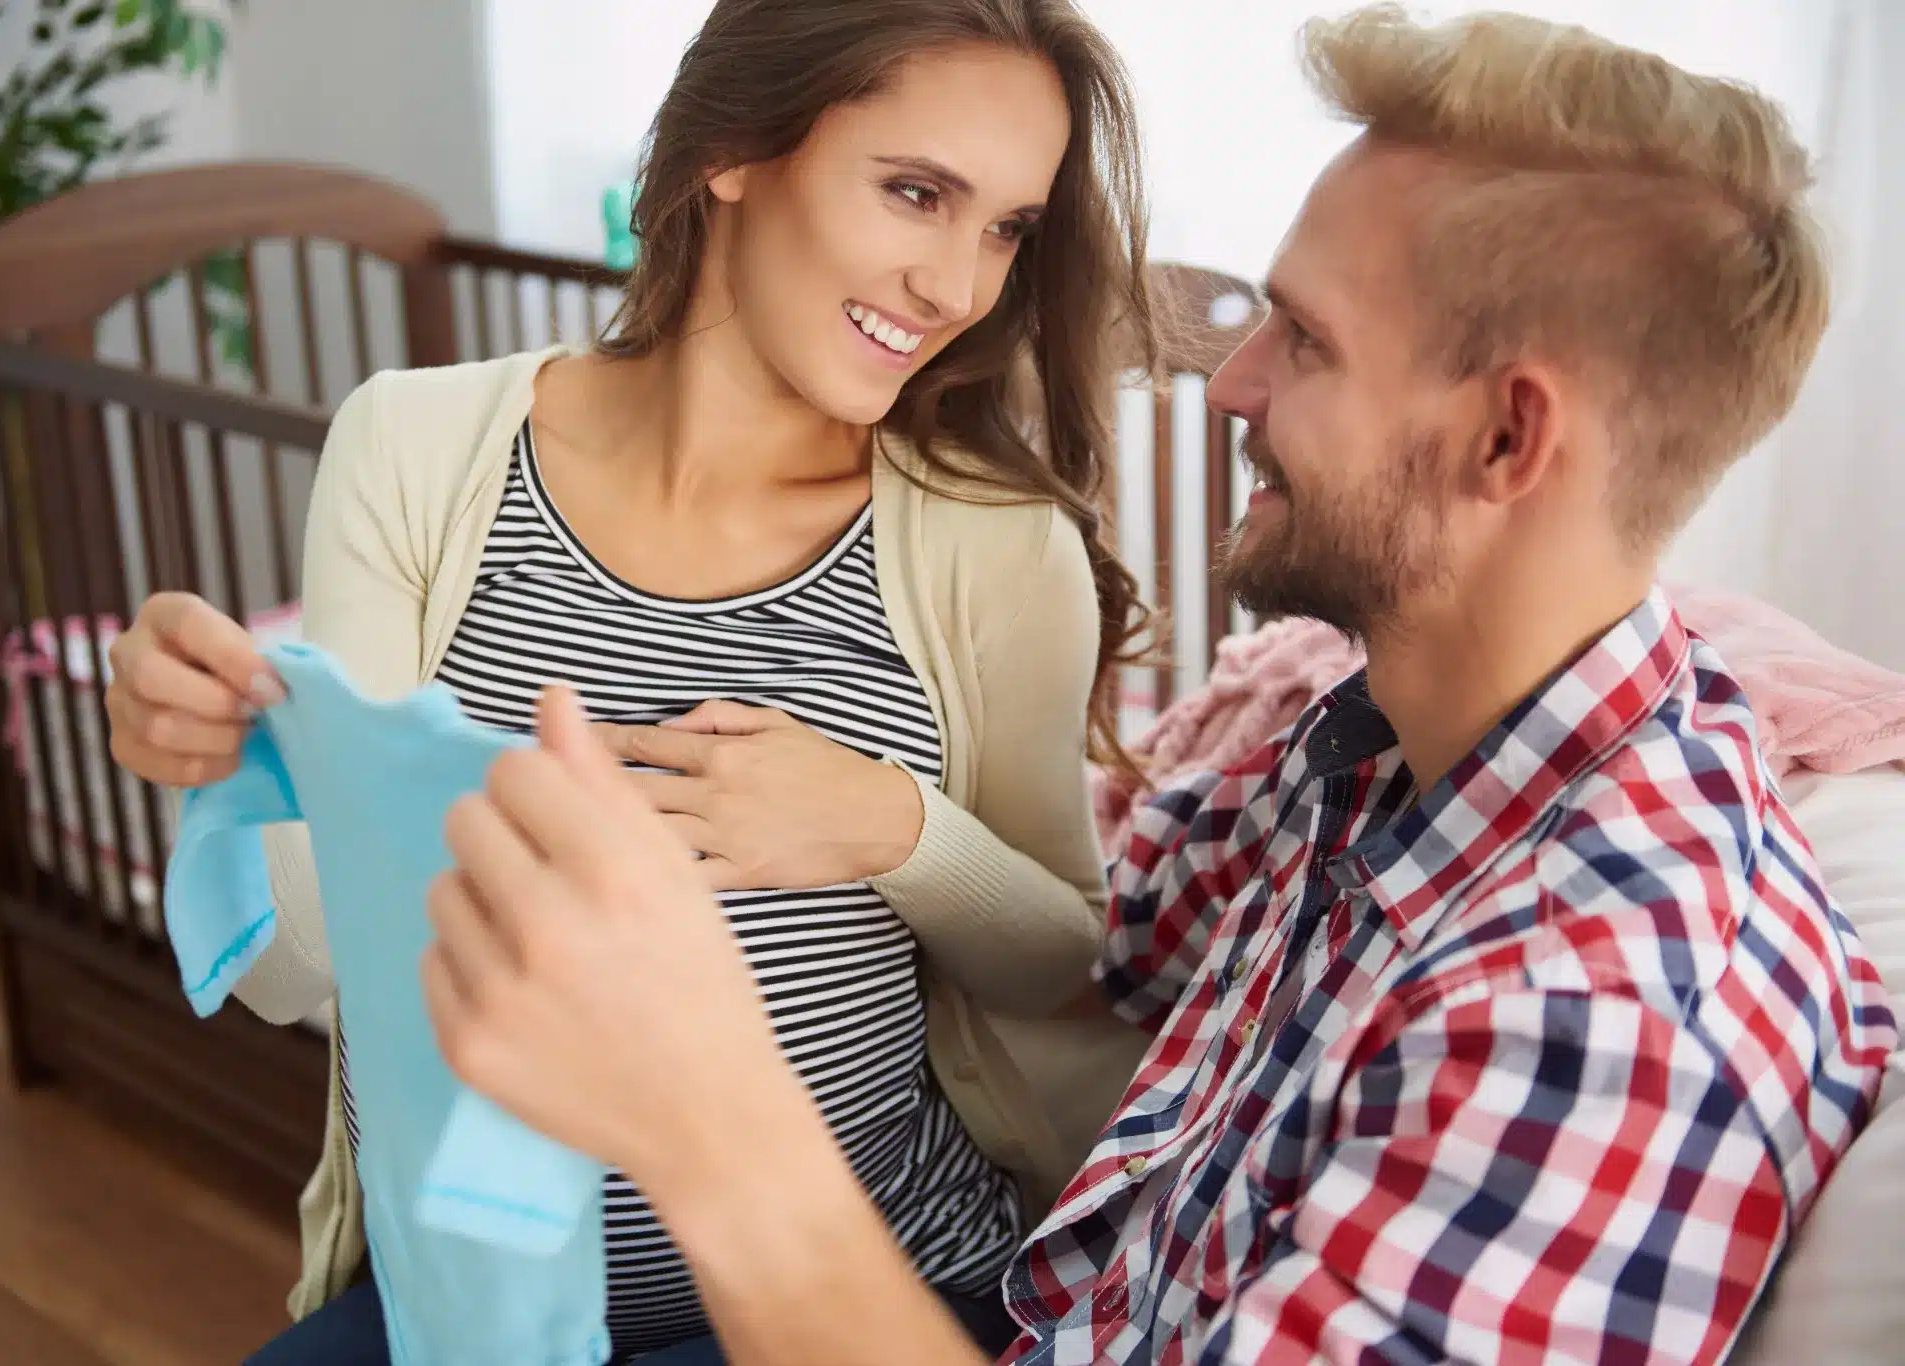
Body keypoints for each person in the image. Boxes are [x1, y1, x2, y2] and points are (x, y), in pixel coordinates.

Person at [415, 6, 1901, 1364]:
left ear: (1510, 442)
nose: (1231, 379)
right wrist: (879, 820)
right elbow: (1107, 937)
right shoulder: (1380, 750)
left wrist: (707, 1117)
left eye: (1304, 340)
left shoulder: (1597, 1034)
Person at [103, 1, 1167, 1361]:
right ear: (733, 146)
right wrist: (230, 762)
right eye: (916, 194)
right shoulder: (415, 450)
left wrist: (890, 826)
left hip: (860, 1295)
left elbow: (1063, 954)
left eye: (1007, 228)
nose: (958, 286)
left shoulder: (991, 545)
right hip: (469, 1311)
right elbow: (295, 969)